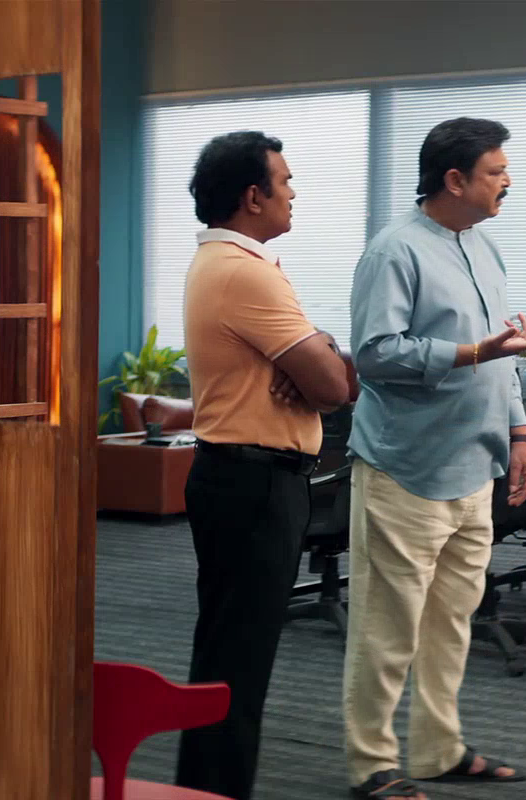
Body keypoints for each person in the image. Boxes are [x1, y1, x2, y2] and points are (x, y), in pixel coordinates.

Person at [341, 117, 526, 800]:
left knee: (451, 624)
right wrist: (472, 352)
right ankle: (371, 763)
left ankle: (438, 749)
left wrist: (519, 436)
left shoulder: (484, 249)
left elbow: (503, 358)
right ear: (455, 180)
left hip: (474, 465)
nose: (508, 181)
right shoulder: (393, 250)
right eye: (496, 171)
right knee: (387, 628)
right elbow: (375, 354)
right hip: (407, 467)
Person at [175, 130, 358, 800]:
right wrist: (321, 358)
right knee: (238, 663)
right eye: (285, 182)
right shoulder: (245, 272)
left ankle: (201, 788)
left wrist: (319, 347)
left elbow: (324, 369)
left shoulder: (223, 263)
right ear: (253, 196)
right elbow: (335, 387)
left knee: (226, 655)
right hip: (254, 484)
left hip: (238, 478)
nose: (293, 193)